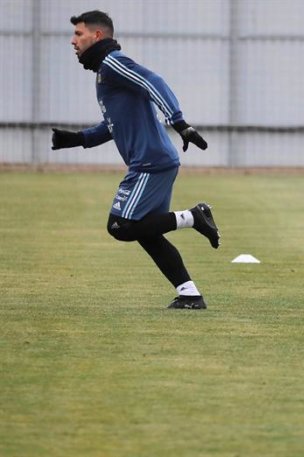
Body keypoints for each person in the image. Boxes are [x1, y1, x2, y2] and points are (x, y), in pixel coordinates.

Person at [51, 10, 220, 310]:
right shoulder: (104, 73)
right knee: (147, 231)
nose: (72, 41)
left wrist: (180, 123)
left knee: (120, 226)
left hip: (150, 162)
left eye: (78, 34)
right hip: (156, 160)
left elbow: (153, 81)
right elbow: (114, 124)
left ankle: (194, 216)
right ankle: (190, 295)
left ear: (98, 36)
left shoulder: (113, 63)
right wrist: (79, 139)